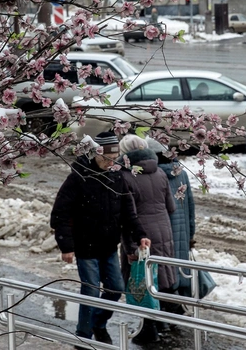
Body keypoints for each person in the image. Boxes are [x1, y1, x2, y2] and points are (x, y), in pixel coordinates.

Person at [51, 132, 151, 348]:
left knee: (116, 288)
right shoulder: (79, 177)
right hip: (85, 246)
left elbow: (128, 212)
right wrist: (66, 246)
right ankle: (83, 336)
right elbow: (60, 212)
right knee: (91, 291)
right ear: (96, 154)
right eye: (105, 158)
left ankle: (98, 322)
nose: (110, 162)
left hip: (108, 246)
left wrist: (140, 235)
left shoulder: (117, 177)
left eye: (113, 158)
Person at [118, 135, 176, 344]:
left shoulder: (125, 176)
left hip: (140, 233)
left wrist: (130, 247)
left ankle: (148, 327)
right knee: (162, 275)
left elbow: (127, 215)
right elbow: (171, 206)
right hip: (164, 228)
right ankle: (167, 319)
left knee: (142, 278)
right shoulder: (160, 172)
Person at [147, 138, 195, 308]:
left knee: (163, 274)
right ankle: (177, 307)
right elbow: (190, 205)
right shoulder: (181, 172)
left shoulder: (153, 175)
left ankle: (166, 311)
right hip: (182, 230)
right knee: (178, 269)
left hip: (162, 229)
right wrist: (191, 233)